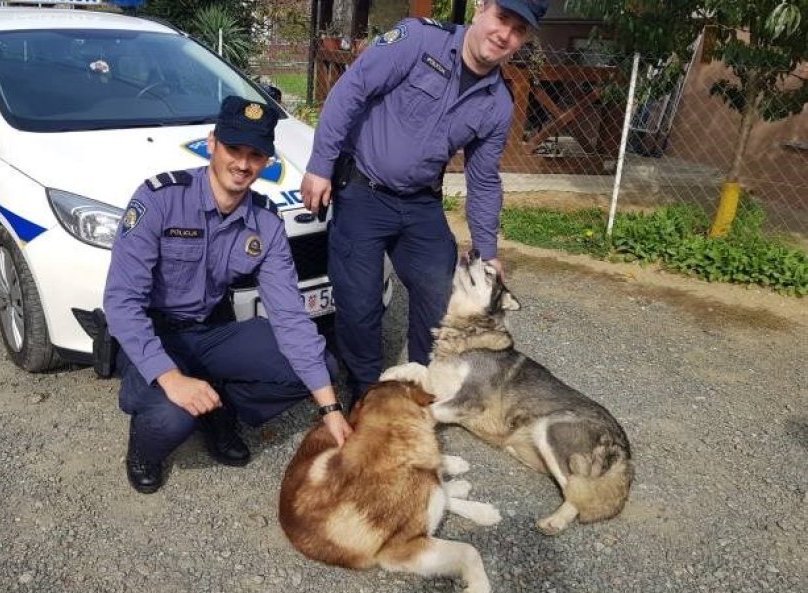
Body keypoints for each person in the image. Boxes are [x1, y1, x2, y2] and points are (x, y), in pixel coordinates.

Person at [105, 95, 352, 494]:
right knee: (172, 415)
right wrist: (171, 379)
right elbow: (120, 302)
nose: (242, 163)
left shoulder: (265, 222)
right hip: (155, 334)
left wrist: (330, 409)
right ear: (211, 143)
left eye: (255, 154)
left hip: (212, 330)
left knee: (319, 365)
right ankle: (144, 448)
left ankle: (217, 409)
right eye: (233, 149)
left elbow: (289, 315)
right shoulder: (159, 199)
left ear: (266, 161)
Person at [301, 0, 546, 402]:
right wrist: (320, 164)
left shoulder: (498, 102)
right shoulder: (417, 41)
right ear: (481, 9)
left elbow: (482, 178)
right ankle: (366, 393)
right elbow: (352, 89)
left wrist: (487, 251)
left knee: (437, 293)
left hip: (420, 204)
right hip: (363, 190)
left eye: (519, 30)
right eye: (503, 18)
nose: (505, 34)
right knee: (359, 304)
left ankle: (423, 386)